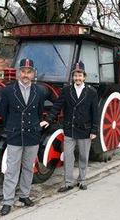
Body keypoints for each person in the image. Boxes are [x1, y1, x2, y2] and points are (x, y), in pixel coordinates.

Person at [40, 60, 98, 192]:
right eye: (75, 75)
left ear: (84, 77)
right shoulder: (66, 90)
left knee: (83, 156)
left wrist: (94, 129)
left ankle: (82, 180)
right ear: (73, 77)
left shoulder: (91, 92)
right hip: (69, 129)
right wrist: (48, 119)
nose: (78, 78)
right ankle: (68, 182)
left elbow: (95, 112)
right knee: (68, 156)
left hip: (85, 130)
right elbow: (57, 106)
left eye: (80, 75)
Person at [0, 58, 45, 216]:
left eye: (29, 72)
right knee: (11, 169)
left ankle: (24, 196)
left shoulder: (39, 91)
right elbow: (3, 113)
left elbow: (39, 113)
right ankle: (7, 201)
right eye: (23, 71)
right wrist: (12, 127)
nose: (26, 74)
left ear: (33, 74)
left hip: (32, 135)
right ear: (18, 73)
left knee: (28, 168)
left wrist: (35, 126)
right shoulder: (7, 91)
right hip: (15, 134)